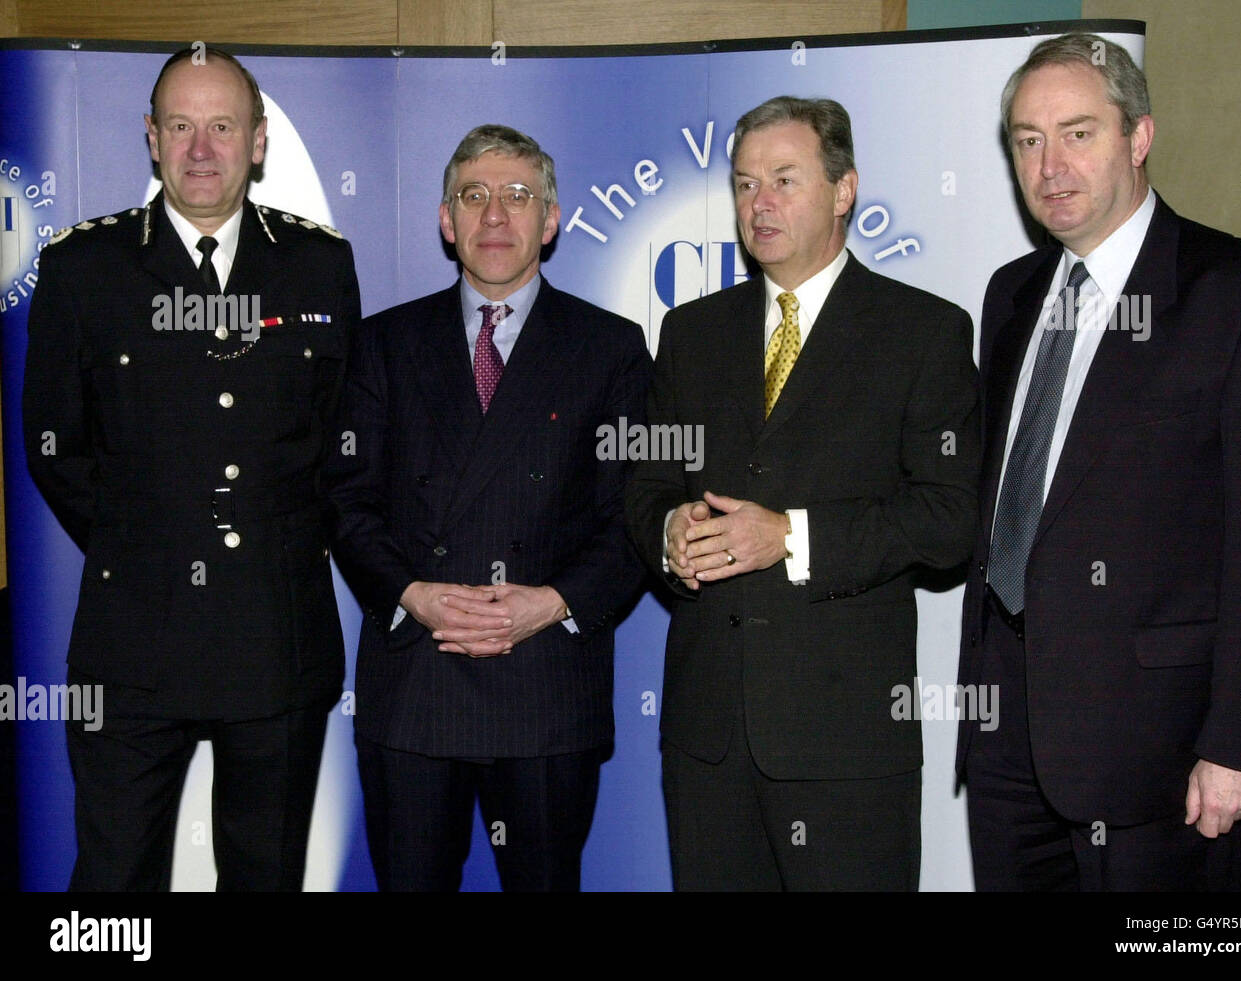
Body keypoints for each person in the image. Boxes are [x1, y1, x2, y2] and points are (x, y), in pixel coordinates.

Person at [957, 33, 1241, 890]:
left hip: (1166, 754)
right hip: (1007, 739)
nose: (1050, 165)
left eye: (1078, 133)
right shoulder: (1012, 293)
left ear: (1138, 137)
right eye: (1027, 141)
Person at [23, 47, 361, 890]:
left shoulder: (319, 263)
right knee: (110, 886)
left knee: (265, 875)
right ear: (150, 138)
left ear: (257, 143)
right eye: (180, 126)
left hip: (276, 638)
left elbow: (343, 441)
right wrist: (151, 543)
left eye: (221, 126)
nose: (200, 149)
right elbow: (54, 446)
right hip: (133, 639)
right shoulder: (82, 269)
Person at [625, 96, 980, 890]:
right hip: (706, 743)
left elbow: (951, 518)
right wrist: (668, 532)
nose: (761, 204)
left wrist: (790, 536)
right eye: (746, 184)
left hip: (847, 745)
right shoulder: (691, 331)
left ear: (844, 188)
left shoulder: (924, 332)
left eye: (784, 179)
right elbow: (645, 481)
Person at [325, 124, 651, 892]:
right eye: (474, 196)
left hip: (545, 688)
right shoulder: (383, 344)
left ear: (551, 219)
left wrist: (552, 603)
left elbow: (636, 514)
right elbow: (345, 499)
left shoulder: (611, 350)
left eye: (517, 196)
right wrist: (413, 593)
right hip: (415, 687)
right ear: (446, 220)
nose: (495, 216)